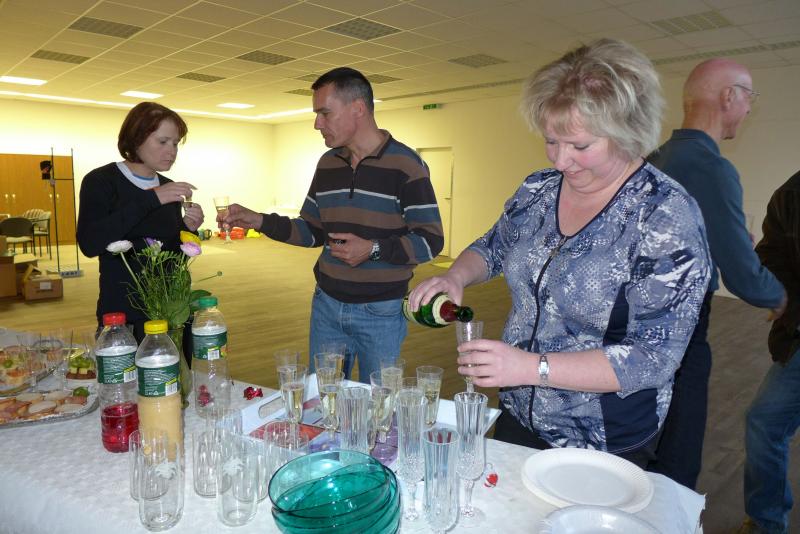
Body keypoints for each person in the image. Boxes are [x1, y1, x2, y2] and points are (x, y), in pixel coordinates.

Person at [408, 39, 711, 467]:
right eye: (551, 141)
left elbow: (653, 359)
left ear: (629, 133)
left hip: (603, 436)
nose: (561, 160)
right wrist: (455, 276)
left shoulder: (664, 216)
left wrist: (531, 368)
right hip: (519, 411)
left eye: (580, 146)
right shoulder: (539, 189)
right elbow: (494, 246)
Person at [219, 67, 443, 382]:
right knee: (323, 399)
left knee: (378, 403)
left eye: (325, 113)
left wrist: (373, 249)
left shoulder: (406, 165)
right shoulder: (327, 164)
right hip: (326, 304)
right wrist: (259, 220)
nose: (317, 124)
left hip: (380, 311)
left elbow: (431, 241)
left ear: (358, 109)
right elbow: (312, 231)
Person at [647, 59, 786, 489]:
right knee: (677, 459)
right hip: (682, 334)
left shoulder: (655, 159)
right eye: (749, 97)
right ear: (729, 96)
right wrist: (781, 297)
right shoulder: (712, 167)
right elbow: (743, 276)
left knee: (643, 443)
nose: (749, 108)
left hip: (637, 329)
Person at [77, 102, 204, 341]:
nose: (172, 151)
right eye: (163, 141)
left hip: (170, 312)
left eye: (175, 143)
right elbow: (90, 244)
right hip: (122, 318)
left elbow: (171, 260)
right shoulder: (101, 181)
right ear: (136, 139)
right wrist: (151, 199)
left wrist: (188, 230)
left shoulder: (168, 187)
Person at [738, 170, 800, 534]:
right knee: (764, 422)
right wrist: (786, 302)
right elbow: (771, 255)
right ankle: (766, 523)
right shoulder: (791, 194)